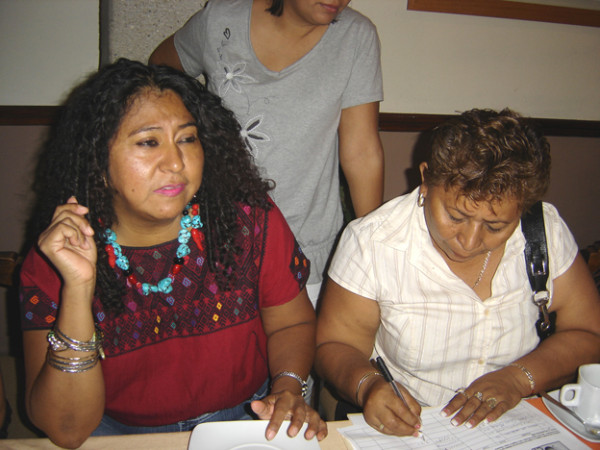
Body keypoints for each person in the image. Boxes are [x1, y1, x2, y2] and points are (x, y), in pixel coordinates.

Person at [19, 58, 326, 449]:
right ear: (98, 160)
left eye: (187, 139)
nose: (176, 163)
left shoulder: (247, 223)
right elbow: (67, 429)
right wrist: (78, 287)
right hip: (114, 435)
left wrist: (287, 388)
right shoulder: (57, 256)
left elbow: (291, 325)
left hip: (244, 421)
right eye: (149, 142)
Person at [315, 108, 600, 436]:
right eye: (455, 215)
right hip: (413, 426)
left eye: (495, 226)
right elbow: (334, 345)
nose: (469, 241)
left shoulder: (543, 233)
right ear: (425, 179)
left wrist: (518, 378)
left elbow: (587, 334)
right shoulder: (374, 242)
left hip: (516, 425)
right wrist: (368, 386)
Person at [149, 0, 385, 305]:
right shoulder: (219, 20)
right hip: (216, 238)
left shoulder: (355, 36)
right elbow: (160, 69)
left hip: (305, 244)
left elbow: (362, 152)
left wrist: (373, 250)